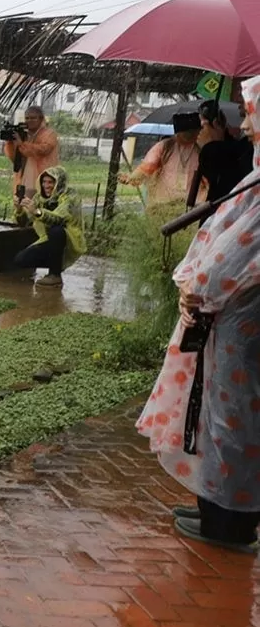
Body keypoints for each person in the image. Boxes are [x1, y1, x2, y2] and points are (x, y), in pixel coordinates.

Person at [136, 75, 260, 552]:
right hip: (227, 318)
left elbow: (238, 253)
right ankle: (215, 500)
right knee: (214, 410)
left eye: (251, 113)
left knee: (234, 418)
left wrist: (198, 289)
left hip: (239, 320)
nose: (245, 124)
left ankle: (229, 523)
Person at [11, 166, 87, 287]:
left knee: (56, 231)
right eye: (44, 182)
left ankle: (55, 275)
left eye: (51, 182)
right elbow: (23, 223)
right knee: (20, 260)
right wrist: (19, 208)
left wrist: (37, 212)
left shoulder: (70, 196)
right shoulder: (39, 198)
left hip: (69, 240)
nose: (46, 185)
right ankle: (54, 262)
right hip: (47, 240)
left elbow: (59, 218)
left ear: (59, 183)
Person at [121, 112, 206, 218]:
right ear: (179, 131)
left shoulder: (202, 150)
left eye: (195, 131)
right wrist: (131, 178)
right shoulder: (165, 146)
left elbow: (207, 177)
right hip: (164, 202)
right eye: (188, 132)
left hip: (193, 205)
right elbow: (147, 167)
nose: (192, 134)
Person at [187, 101, 250, 224]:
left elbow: (230, 180)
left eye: (249, 115)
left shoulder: (249, 152)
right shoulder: (242, 146)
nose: (243, 126)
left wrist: (212, 147)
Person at [4, 106, 60, 199]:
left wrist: (22, 144)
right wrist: (10, 142)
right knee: (22, 206)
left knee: (40, 206)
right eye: (27, 118)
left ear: (41, 119)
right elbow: (14, 158)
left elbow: (43, 150)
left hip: (43, 178)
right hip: (23, 180)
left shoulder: (49, 134)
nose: (30, 121)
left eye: (33, 118)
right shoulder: (23, 134)